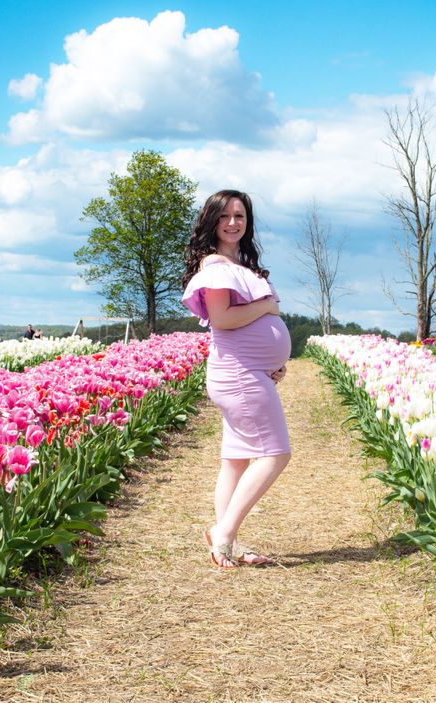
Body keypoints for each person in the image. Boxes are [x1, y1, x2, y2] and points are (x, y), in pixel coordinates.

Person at [182, 190, 291, 569]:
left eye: (240, 215)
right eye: (224, 216)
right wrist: (266, 306)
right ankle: (225, 534)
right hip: (239, 376)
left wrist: (274, 361)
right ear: (211, 221)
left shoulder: (237, 264)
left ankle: (227, 538)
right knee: (275, 454)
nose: (232, 222)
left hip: (246, 372)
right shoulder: (214, 266)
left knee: (236, 460)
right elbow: (223, 319)